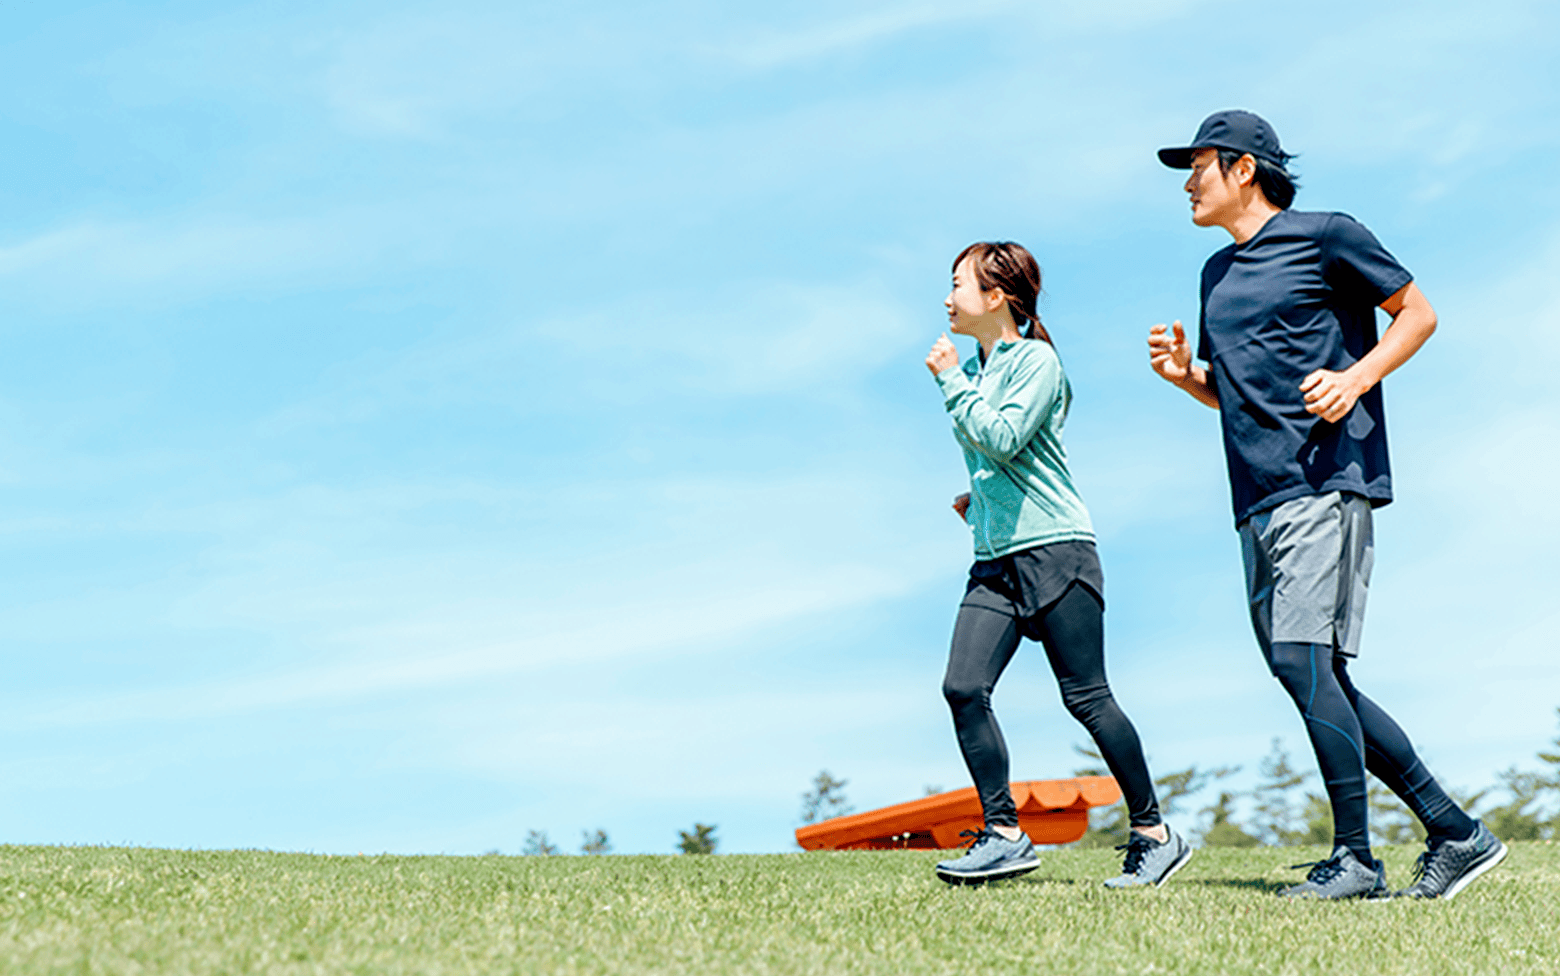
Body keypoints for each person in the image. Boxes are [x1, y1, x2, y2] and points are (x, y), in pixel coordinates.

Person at [1148, 110, 1505, 900]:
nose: (1188, 181)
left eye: (1199, 164)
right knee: (1317, 673)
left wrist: (1355, 379)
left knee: (1301, 662)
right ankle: (1453, 830)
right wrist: (1183, 376)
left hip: (1325, 480)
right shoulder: (1216, 274)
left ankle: (1357, 860)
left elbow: (1418, 312)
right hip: (1257, 494)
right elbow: (1235, 395)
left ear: (1244, 168)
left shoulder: (1326, 235)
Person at [926, 241, 1191, 888]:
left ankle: (1155, 833)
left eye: (957, 284)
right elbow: (1002, 456)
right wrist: (982, 500)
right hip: (995, 562)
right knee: (963, 688)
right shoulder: (985, 369)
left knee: (1088, 697)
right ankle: (1004, 833)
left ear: (997, 297)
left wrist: (949, 379)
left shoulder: (1036, 360)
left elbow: (1004, 435)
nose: (946, 297)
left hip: (1057, 552)